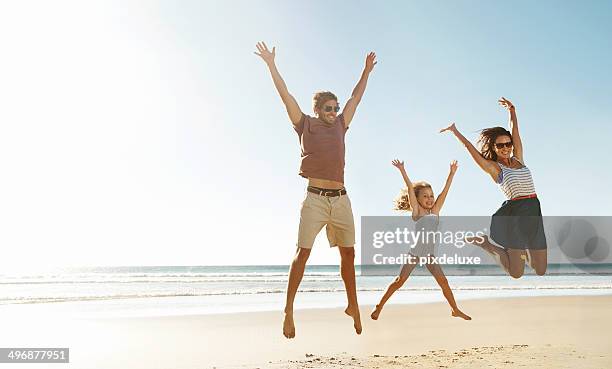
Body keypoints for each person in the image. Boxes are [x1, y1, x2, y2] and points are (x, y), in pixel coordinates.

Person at [254, 41, 377, 338]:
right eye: (328, 108)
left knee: (349, 255)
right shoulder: (304, 124)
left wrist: (366, 71)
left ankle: (352, 305)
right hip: (315, 200)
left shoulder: (341, 125)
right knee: (302, 254)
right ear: (317, 110)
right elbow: (286, 97)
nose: (334, 112)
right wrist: (272, 65)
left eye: (335, 108)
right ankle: (288, 310)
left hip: (341, 199)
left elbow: (356, 98)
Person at [439, 97, 547, 278]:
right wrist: (455, 131)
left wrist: (512, 111)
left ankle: (522, 250)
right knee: (516, 273)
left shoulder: (518, 159)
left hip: (534, 210)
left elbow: (515, 131)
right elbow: (469, 148)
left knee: (540, 270)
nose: (506, 148)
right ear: (494, 148)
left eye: (508, 144)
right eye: (500, 145)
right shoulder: (495, 168)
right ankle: (486, 244)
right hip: (515, 214)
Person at [370, 159, 471, 321]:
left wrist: (451, 174)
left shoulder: (435, 211)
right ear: (417, 199)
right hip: (415, 253)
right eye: (425, 196)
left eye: (431, 196)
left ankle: (455, 309)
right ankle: (379, 307)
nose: (430, 199)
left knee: (443, 281)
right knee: (399, 281)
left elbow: (444, 192)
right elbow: (410, 188)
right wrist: (402, 171)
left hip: (429, 255)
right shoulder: (417, 212)